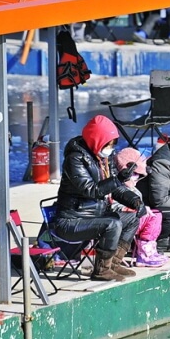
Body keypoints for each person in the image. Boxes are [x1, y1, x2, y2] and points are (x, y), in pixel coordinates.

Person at [52, 115, 140, 282]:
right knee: (112, 224)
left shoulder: (103, 159)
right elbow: (91, 190)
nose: (110, 148)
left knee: (132, 218)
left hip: (94, 215)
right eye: (108, 144)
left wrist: (134, 200)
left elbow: (115, 188)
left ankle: (113, 262)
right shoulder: (75, 159)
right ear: (96, 140)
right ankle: (101, 270)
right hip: (71, 220)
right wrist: (118, 179)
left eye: (112, 144)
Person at [115, 147, 168, 268]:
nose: (136, 178)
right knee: (152, 217)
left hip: (132, 222)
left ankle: (147, 248)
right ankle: (144, 253)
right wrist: (134, 210)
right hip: (121, 221)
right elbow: (113, 206)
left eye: (138, 175)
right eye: (133, 174)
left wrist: (144, 209)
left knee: (156, 214)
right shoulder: (115, 186)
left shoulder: (136, 190)